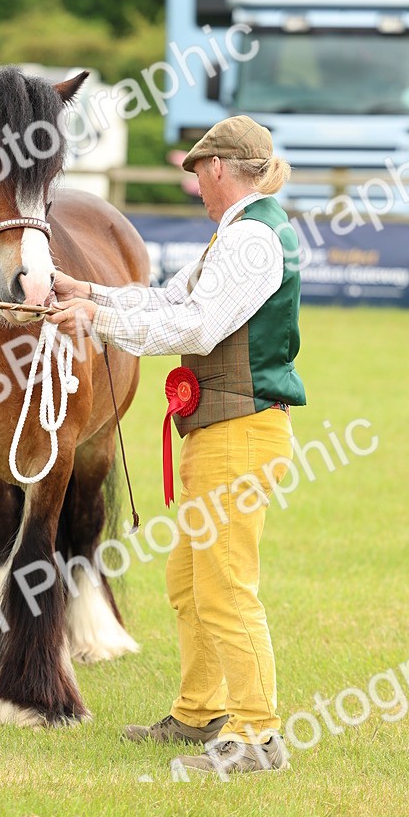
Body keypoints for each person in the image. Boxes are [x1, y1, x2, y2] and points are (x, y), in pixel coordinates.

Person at [48, 115, 306, 776]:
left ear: (217, 167)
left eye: (196, 172)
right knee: (189, 581)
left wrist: (96, 318)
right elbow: (170, 298)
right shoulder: (240, 233)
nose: (195, 185)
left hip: (239, 435)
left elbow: (193, 323)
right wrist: (90, 292)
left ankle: (256, 735)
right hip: (222, 432)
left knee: (224, 587)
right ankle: (201, 712)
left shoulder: (252, 240)